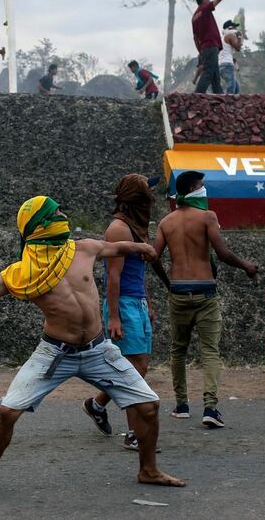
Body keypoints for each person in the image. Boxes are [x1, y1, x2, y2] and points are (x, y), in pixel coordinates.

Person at [0, 196, 185, 499]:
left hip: (98, 351)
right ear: (40, 224)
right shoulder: (23, 273)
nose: (63, 214)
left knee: (148, 406)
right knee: (6, 414)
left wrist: (141, 248)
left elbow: (115, 248)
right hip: (55, 354)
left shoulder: (82, 249)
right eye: (56, 212)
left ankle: (148, 470)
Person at [153, 171, 259, 428]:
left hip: (178, 291)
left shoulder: (166, 222)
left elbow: (153, 256)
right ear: (192, 188)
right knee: (209, 350)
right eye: (201, 184)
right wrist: (245, 265)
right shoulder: (207, 217)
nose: (204, 187)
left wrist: (168, 283)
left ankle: (181, 405)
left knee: (178, 349)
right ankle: (210, 407)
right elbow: (221, 253)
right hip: (205, 291)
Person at [82, 174, 169, 451]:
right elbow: (113, 277)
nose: (152, 198)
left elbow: (139, 272)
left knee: (135, 368)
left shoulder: (135, 226)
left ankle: (96, 404)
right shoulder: (118, 229)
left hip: (137, 303)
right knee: (136, 369)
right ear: (138, 198)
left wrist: (149, 304)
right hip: (124, 306)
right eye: (148, 193)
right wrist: (115, 317)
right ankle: (134, 434)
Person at [192, 0, 242, 94]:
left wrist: (200, 52)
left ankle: (219, 98)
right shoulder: (205, 9)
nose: (210, 1)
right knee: (209, 72)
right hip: (211, 46)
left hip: (205, 48)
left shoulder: (194, 17)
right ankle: (196, 96)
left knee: (215, 76)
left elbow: (195, 38)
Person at [218, 20, 242, 94]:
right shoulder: (230, 36)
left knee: (236, 87)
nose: (236, 28)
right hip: (227, 65)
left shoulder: (222, 38)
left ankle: (228, 101)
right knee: (231, 89)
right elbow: (238, 48)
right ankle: (227, 103)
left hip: (221, 65)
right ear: (230, 28)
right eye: (235, 27)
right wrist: (239, 36)